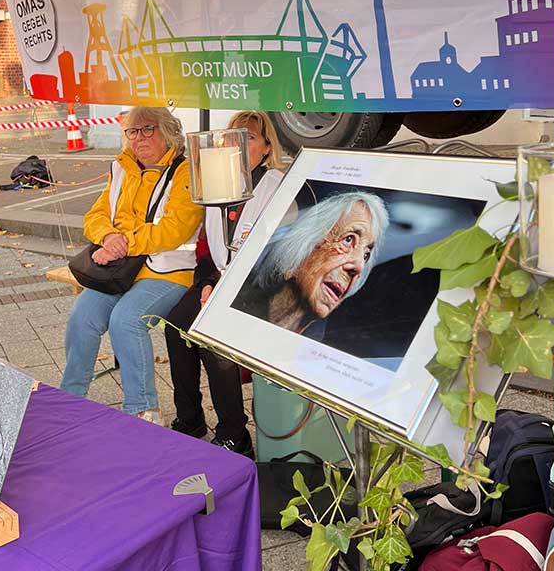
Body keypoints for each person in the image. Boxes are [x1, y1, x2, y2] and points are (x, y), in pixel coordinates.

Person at [61, 107, 204, 424]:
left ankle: (143, 412)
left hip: (169, 271)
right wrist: (108, 236)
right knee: (81, 317)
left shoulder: (186, 171)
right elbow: (95, 216)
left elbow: (175, 230)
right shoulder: (121, 167)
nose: (139, 138)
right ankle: (69, 401)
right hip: (121, 270)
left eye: (148, 129)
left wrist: (121, 244)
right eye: (133, 131)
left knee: (126, 321)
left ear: (167, 132)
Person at [165, 112, 286, 457]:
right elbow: (206, 248)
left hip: (259, 289)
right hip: (218, 281)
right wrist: (206, 283)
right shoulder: (219, 182)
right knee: (176, 325)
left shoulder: (277, 187)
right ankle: (191, 419)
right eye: (235, 139)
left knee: (214, 341)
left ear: (267, 147)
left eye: (250, 138)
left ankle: (235, 433)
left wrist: (227, 288)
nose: (240, 147)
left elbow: (279, 256)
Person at [233, 192, 389, 340]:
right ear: (301, 244)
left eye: (366, 255)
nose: (359, 266)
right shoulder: (237, 298)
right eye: (348, 239)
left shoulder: (325, 349)